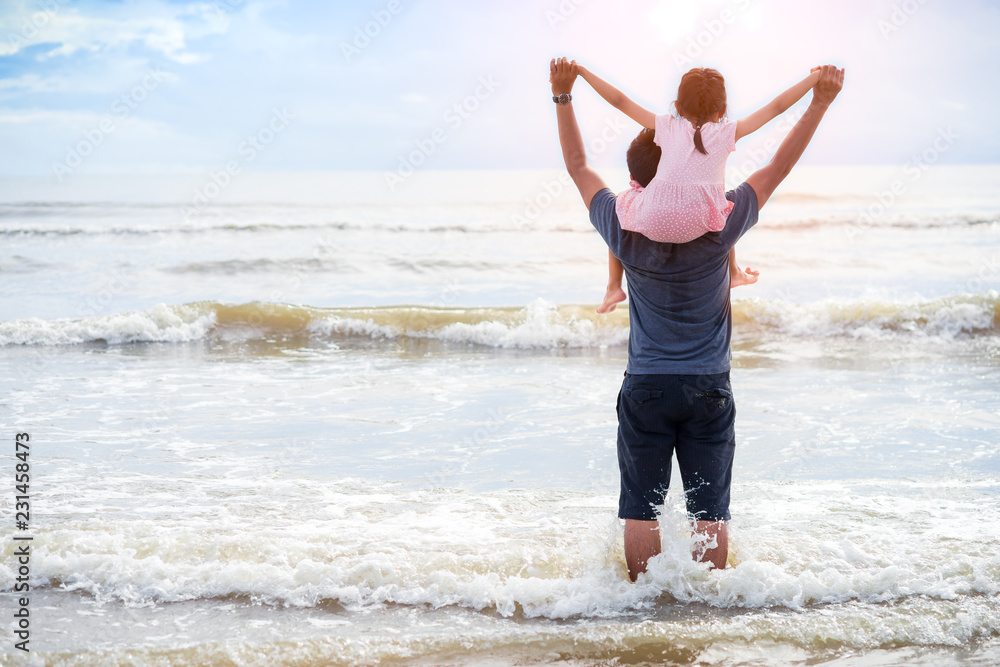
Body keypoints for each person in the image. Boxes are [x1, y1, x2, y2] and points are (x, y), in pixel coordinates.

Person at [549, 57, 844, 581]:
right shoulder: (719, 223)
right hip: (709, 385)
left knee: (641, 507)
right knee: (710, 511)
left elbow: (577, 165)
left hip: (646, 388)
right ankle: (709, 606)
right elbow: (778, 166)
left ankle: (640, 606)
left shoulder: (624, 228)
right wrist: (818, 103)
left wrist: (563, 96)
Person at [572, 63, 821, 313]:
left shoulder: (666, 126)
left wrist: (582, 72)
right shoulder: (728, 132)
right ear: (723, 109)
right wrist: (815, 79)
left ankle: (613, 286)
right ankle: (734, 271)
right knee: (723, 204)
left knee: (627, 199)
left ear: (677, 107)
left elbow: (619, 101)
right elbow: (777, 107)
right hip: (701, 225)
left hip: (651, 221)